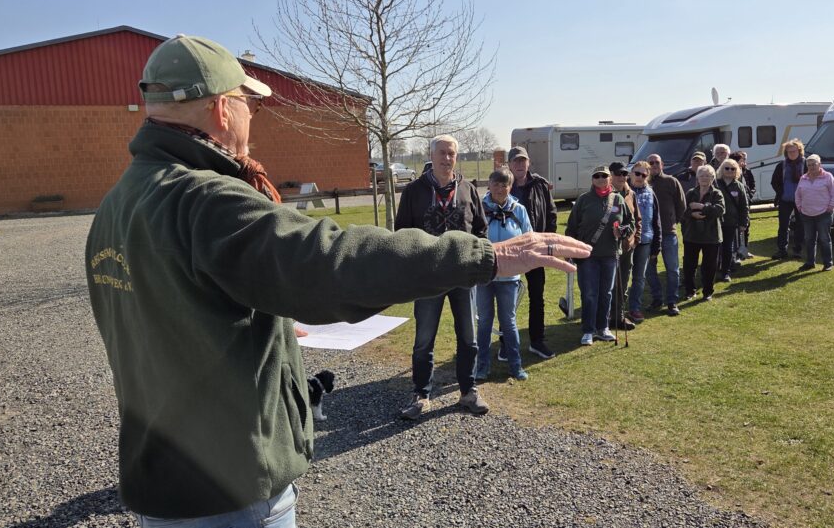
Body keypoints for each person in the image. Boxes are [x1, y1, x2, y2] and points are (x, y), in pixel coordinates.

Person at [85, 34, 592, 527]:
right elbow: (333, 260)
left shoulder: (120, 202)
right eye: (248, 105)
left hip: (165, 482)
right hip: (228, 488)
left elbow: (176, 310)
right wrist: (486, 256)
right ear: (222, 109)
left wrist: (264, 320)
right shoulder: (206, 200)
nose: (251, 118)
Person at [395, 134, 488, 420]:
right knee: (424, 340)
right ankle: (421, 395)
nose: (447, 158)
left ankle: (468, 391)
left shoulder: (468, 189)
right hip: (428, 278)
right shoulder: (414, 191)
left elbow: (481, 231)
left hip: (463, 277)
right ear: (431, 155)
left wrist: (476, 262)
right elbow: (402, 234)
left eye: (451, 153)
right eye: (442, 153)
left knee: (469, 338)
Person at [566, 165, 634, 346]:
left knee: (606, 293)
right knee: (590, 293)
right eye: (597, 176)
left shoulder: (618, 199)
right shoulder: (584, 200)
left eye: (604, 176)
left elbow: (630, 222)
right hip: (588, 255)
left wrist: (624, 231)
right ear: (592, 180)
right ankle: (588, 330)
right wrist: (570, 250)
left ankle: (603, 328)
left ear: (609, 178)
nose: (601, 179)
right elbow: (571, 227)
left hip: (610, 254)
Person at [476, 168, 532, 381]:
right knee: (484, 322)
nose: (500, 189)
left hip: (509, 278)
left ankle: (516, 367)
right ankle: (482, 367)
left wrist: (522, 262)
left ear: (511, 187)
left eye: (505, 185)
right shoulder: (479, 208)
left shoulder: (519, 210)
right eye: (496, 184)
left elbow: (528, 240)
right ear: (489, 185)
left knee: (508, 322)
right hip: (484, 276)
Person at [506, 146, 558, 359]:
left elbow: (551, 213)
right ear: (509, 165)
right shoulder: (503, 185)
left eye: (523, 160)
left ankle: (537, 341)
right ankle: (506, 342)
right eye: (515, 161)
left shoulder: (540, 185)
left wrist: (547, 242)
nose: (519, 165)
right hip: (510, 251)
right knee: (508, 298)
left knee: (537, 296)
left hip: (535, 249)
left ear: (528, 163)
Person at [644, 154, 686, 317]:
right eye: (651, 162)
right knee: (649, 269)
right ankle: (657, 298)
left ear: (662, 164)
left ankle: (672, 301)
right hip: (648, 234)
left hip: (668, 233)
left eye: (657, 162)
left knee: (672, 269)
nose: (654, 165)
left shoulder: (671, 181)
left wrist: (672, 221)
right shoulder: (641, 182)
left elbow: (681, 205)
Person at [681, 165, 725, 301]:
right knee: (689, 265)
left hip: (711, 236)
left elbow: (720, 210)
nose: (704, 178)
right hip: (692, 235)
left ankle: (708, 292)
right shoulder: (690, 193)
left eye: (707, 176)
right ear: (697, 178)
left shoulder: (717, 193)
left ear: (712, 178)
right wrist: (692, 214)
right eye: (701, 175)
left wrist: (702, 207)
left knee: (709, 266)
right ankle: (690, 291)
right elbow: (682, 210)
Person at [626, 161, 661, 323]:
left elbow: (656, 221)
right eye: (637, 173)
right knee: (622, 276)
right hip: (626, 240)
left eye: (643, 174)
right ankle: (617, 308)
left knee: (639, 277)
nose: (639, 177)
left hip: (645, 240)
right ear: (631, 173)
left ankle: (634, 308)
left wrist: (657, 245)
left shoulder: (651, 193)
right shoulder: (623, 191)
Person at [795, 154, 834, 272]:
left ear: (819, 165)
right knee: (809, 239)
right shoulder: (803, 178)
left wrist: (831, 207)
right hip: (806, 214)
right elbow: (798, 195)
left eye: (814, 164)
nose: (811, 167)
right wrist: (799, 207)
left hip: (823, 214)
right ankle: (810, 263)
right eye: (809, 165)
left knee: (824, 239)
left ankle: (828, 263)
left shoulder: (828, 177)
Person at [609, 161, 639, 330]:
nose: (622, 177)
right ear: (611, 175)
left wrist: (635, 239)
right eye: (618, 174)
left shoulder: (631, 194)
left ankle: (619, 317)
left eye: (624, 174)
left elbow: (637, 219)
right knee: (608, 284)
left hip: (627, 247)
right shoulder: (606, 193)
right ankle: (604, 317)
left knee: (623, 283)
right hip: (608, 248)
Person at [715, 158, 750, 282]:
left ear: (737, 170)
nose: (730, 170)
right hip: (715, 222)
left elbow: (744, 206)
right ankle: (712, 270)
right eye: (727, 168)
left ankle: (725, 272)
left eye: (733, 168)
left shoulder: (739, 186)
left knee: (728, 247)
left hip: (731, 222)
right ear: (721, 169)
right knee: (714, 247)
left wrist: (743, 223)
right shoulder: (715, 183)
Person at [771, 139, 806, 259]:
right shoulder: (781, 165)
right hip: (785, 200)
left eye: (794, 151)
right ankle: (782, 250)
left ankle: (797, 250)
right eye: (789, 151)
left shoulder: (806, 164)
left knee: (800, 225)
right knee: (783, 226)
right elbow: (774, 182)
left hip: (801, 200)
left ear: (799, 151)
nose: (791, 153)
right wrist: (781, 193)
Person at [730, 151, 755, 260]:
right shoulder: (731, 173)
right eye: (742, 160)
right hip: (735, 207)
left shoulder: (746, 171)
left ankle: (744, 250)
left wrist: (749, 196)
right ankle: (735, 254)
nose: (744, 162)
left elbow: (751, 185)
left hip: (745, 204)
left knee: (745, 227)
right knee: (735, 231)